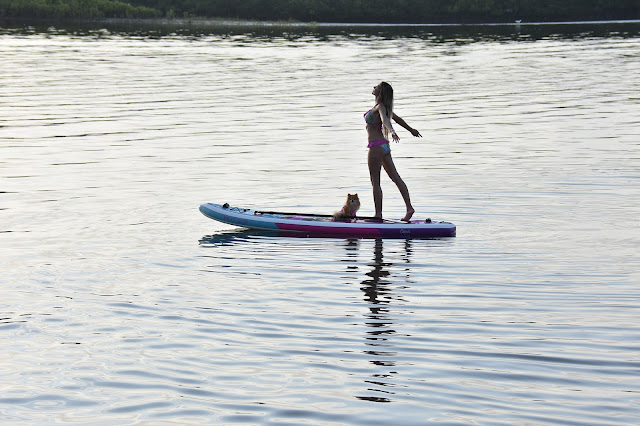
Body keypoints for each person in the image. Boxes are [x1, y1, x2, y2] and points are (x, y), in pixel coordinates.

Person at [364, 81, 422, 221]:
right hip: (384, 146)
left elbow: (385, 121)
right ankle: (409, 208)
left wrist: (392, 131)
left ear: (381, 92)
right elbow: (397, 119)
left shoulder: (380, 107)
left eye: (376, 87)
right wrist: (411, 130)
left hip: (376, 147)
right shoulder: (383, 107)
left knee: (375, 182)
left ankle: (378, 215)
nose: (374, 87)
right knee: (396, 178)